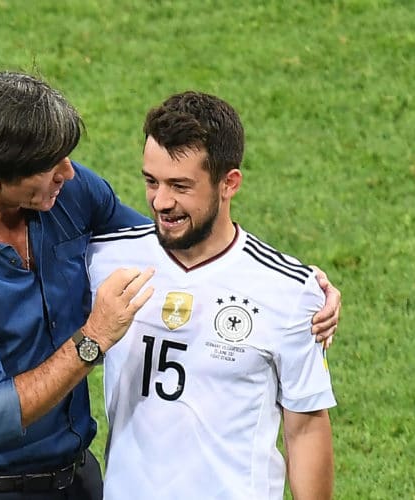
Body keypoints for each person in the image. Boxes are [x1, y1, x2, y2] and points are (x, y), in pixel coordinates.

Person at [0, 71, 340, 499]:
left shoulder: (66, 194)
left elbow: (165, 244)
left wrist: (297, 287)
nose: (68, 172)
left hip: (77, 478)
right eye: (50, 165)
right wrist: (94, 338)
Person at [87, 91, 337, 499]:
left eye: (180, 185)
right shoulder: (105, 261)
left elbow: (305, 426)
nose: (161, 201)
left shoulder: (289, 292)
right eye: (152, 181)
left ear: (229, 183)